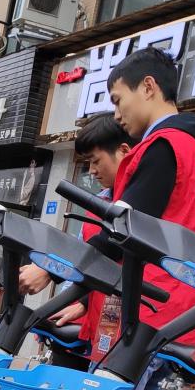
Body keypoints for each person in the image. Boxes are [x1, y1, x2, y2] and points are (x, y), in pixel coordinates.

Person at [90, 45, 195, 390]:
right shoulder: (193, 149)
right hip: (174, 311)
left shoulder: (165, 146)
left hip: (146, 309)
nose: (117, 114)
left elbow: (124, 228)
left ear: (148, 87)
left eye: (118, 100)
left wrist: (52, 268)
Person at [19, 113, 133, 303]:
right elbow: (83, 252)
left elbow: (109, 245)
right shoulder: (99, 202)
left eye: (96, 161)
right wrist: (69, 304)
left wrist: (49, 269)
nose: (92, 170)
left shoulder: (144, 204)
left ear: (124, 151)